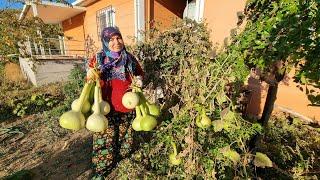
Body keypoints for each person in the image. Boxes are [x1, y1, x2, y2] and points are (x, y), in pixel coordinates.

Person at [86, 26, 144, 178]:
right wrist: (90, 74)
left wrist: (138, 80)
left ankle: (122, 163)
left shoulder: (129, 58)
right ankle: (102, 170)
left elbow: (139, 74)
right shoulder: (98, 59)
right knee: (104, 140)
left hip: (127, 107)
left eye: (118, 38)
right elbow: (89, 79)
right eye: (111, 39)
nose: (116, 42)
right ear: (105, 41)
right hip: (104, 110)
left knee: (125, 138)